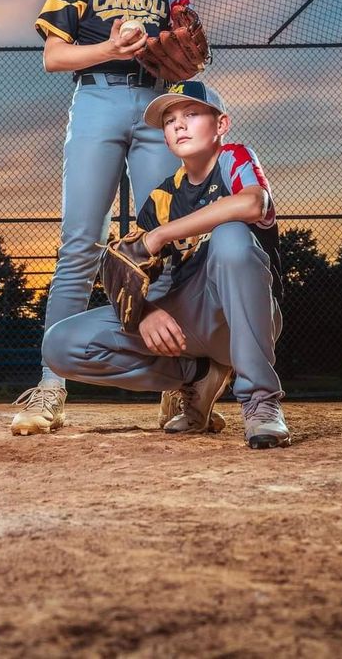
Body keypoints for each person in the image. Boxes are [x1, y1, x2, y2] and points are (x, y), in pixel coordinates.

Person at [11, 0, 206, 436]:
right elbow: (54, 57)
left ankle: (178, 386)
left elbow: (189, 52)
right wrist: (110, 46)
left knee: (165, 242)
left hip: (156, 108)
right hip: (96, 103)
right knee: (79, 244)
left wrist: (179, 58)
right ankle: (51, 387)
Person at [42, 80, 291, 449]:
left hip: (240, 317)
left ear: (221, 124)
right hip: (187, 320)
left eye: (191, 114)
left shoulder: (233, 159)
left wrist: (160, 235)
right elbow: (124, 267)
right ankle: (198, 376)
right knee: (61, 344)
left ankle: (261, 402)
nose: (179, 125)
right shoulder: (162, 195)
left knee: (231, 237)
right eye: (170, 119)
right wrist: (143, 313)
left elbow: (254, 203)